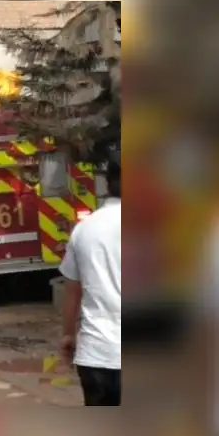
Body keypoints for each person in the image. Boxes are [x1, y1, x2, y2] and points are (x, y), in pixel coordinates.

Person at [59, 154, 122, 406]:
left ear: (107, 183)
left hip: (96, 357)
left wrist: (68, 335)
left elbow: (73, 290)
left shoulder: (85, 229)